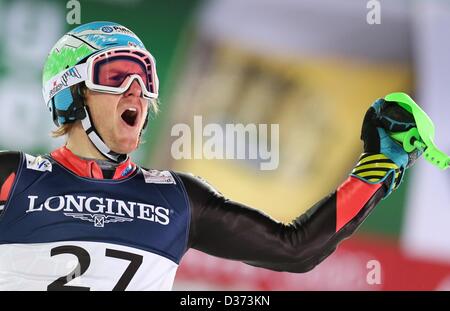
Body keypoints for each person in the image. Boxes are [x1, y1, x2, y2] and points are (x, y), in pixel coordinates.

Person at [0, 21, 421, 291]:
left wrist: (380, 164)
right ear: (70, 94)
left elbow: (296, 250)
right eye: (115, 75)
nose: (137, 90)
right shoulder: (12, 177)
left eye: (145, 77)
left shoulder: (178, 198)